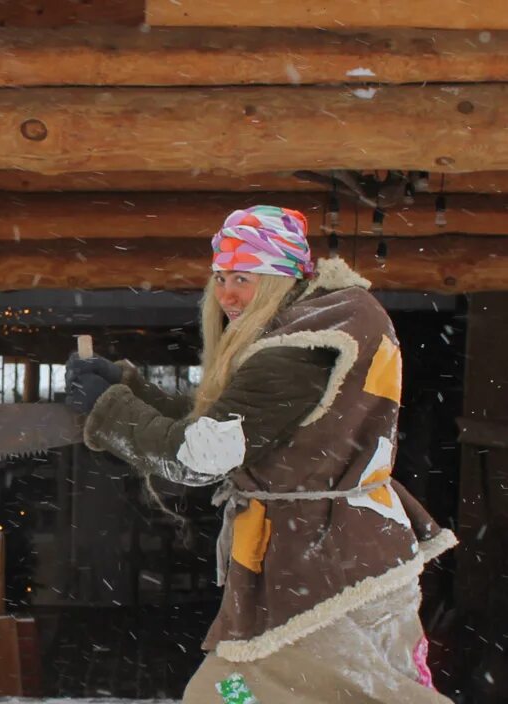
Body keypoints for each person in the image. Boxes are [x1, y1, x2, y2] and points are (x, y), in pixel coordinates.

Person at [66, 205, 456, 703]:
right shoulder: (325, 321)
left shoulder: (295, 350)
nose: (227, 294)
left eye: (245, 278)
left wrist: (109, 411)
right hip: (352, 556)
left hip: (323, 569)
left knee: (226, 695)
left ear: (279, 280)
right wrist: (129, 389)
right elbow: (236, 423)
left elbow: (200, 455)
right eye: (222, 277)